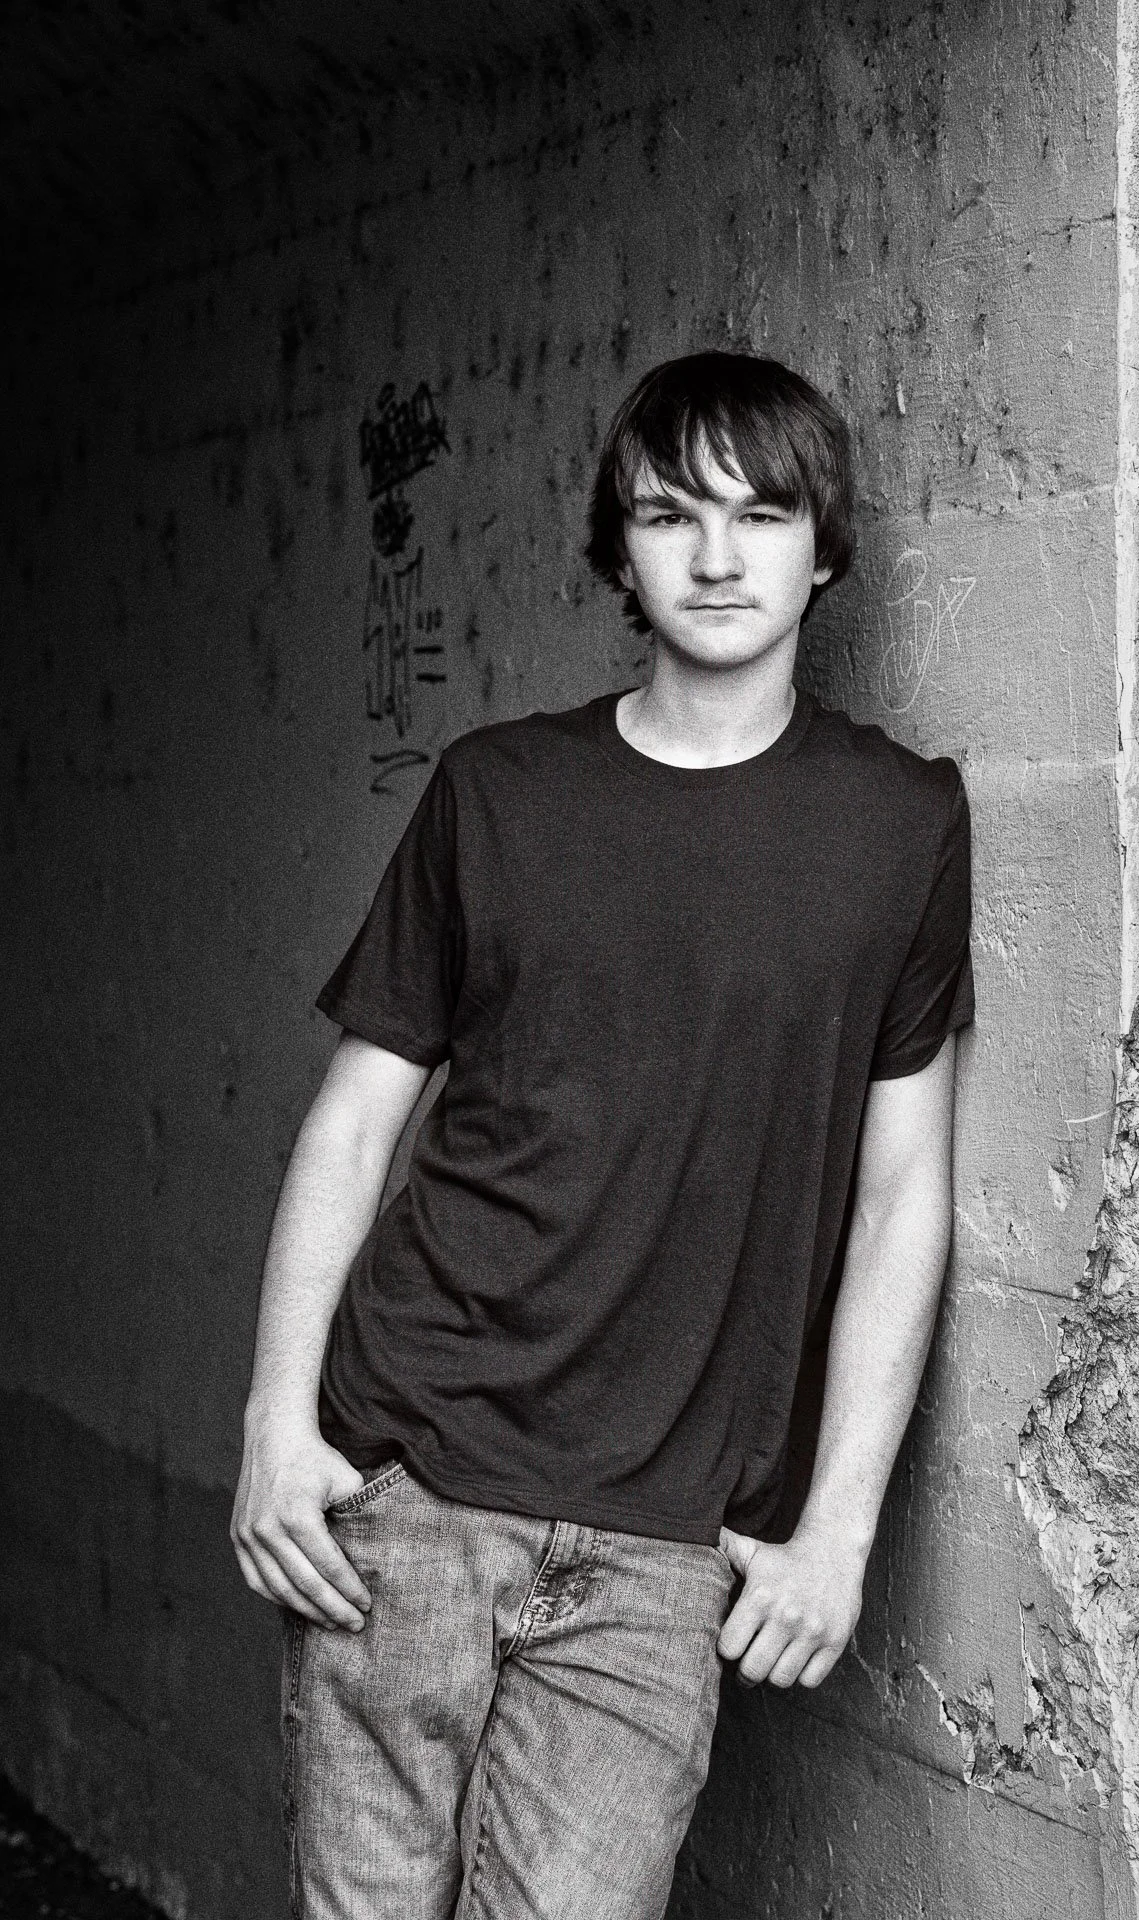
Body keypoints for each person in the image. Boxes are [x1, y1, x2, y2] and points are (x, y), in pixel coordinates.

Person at [231, 350, 974, 1920]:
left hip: (661, 1550)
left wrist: (836, 1531)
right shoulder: (496, 794)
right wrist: (274, 1430)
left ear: (824, 549)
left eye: (762, 514)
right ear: (616, 550)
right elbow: (354, 1126)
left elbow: (905, 1196)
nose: (716, 556)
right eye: (669, 514)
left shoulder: (904, 824)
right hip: (408, 1494)